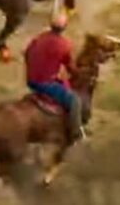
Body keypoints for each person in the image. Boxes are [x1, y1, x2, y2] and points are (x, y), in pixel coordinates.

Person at [25, 14, 84, 144]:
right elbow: (70, 67)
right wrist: (77, 73)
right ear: (64, 28)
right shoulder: (64, 45)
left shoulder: (38, 38)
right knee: (75, 101)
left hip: (31, 80)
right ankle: (76, 133)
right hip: (45, 83)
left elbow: (27, 54)